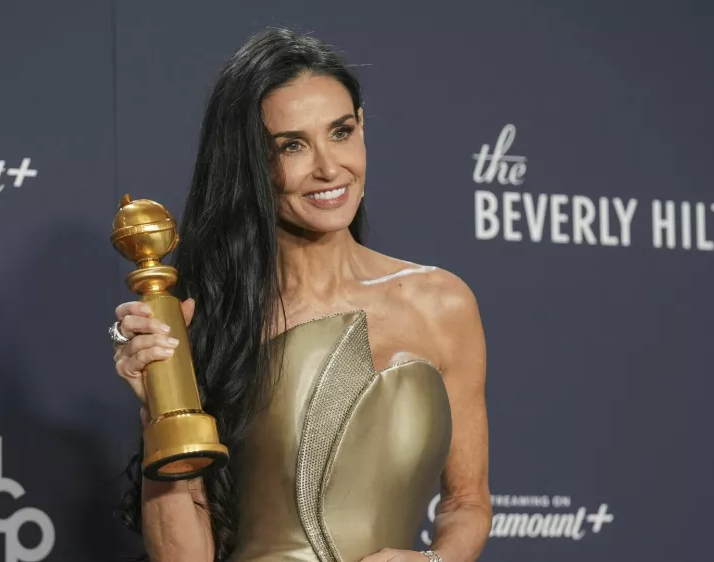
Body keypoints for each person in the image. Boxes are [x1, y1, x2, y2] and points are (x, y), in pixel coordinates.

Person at [110, 27, 491, 562]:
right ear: (250, 162)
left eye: (341, 132)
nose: (329, 168)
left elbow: (468, 502)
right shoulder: (209, 322)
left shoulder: (443, 303)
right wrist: (157, 410)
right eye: (291, 145)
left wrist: (434, 561)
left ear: (363, 130)